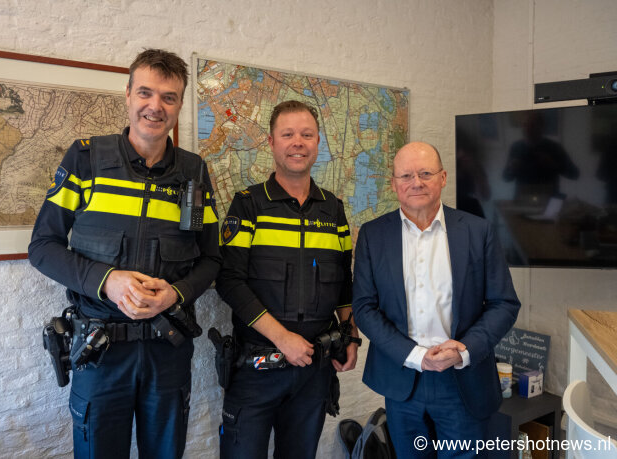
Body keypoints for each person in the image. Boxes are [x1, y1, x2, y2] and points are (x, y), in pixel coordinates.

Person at [29, 49, 221, 458]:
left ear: (180, 105)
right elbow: (42, 248)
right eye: (146, 93)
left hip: (166, 351)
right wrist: (108, 281)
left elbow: (212, 260)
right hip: (100, 352)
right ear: (128, 95)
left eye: (169, 97)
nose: (156, 106)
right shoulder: (85, 159)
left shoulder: (195, 172)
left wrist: (176, 293)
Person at [352, 141, 520, 458]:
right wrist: (415, 355)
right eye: (406, 176)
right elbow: (364, 308)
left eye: (425, 173)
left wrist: (465, 350)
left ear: (443, 178)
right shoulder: (373, 236)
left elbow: (504, 304)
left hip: (462, 380)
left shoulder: (478, 231)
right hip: (402, 379)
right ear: (393, 183)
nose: (416, 182)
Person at [216, 100, 359, 459]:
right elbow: (229, 281)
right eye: (288, 134)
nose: (298, 142)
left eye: (307, 134)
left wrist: (351, 336)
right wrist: (283, 339)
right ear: (271, 142)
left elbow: (345, 283)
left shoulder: (333, 209)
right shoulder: (248, 204)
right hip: (256, 369)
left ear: (317, 143)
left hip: (314, 370)